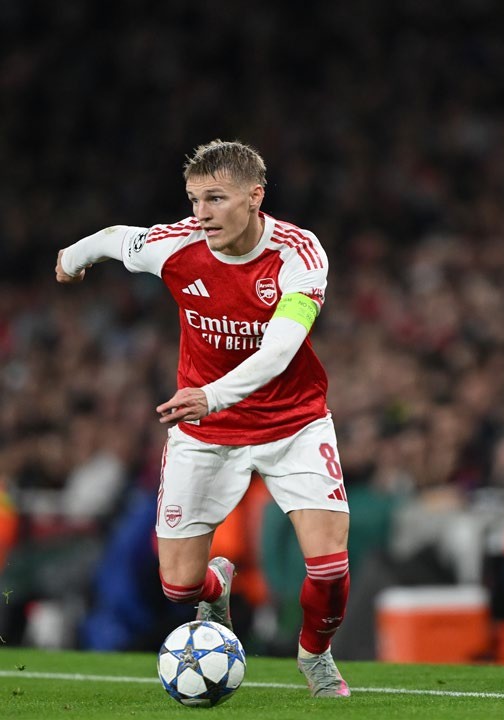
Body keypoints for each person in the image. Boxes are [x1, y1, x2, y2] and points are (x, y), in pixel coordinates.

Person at [55, 140, 351, 698]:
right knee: (177, 587)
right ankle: (216, 585)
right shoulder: (176, 244)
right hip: (206, 433)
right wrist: (71, 258)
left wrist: (211, 394)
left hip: (294, 423)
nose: (201, 213)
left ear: (254, 197)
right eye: (194, 199)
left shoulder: (298, 253)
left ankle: (315, 657)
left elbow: (281, 348)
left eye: (216, 198)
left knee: (330, 566)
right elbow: (117, 240)